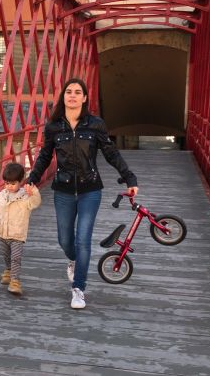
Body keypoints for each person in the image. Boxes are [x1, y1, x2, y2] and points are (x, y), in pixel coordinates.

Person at [27, 78, 138, 309]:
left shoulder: (95, 124)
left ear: (85, 98)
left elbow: (110, 152)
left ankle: (78, 289)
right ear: (63, 97)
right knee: (65, 240)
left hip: (90, 190)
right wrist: (32, 179)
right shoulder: (54, 126)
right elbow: (45, 156)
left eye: (78, 92)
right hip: (63, 190)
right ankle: (73, 260)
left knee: (83, 240)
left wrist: (129, 177)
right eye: (69, 92)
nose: (73, 95)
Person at [0, 162, 41, 295]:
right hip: (2, 232)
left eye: (13, 183)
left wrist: (34, 192)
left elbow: (36, 203)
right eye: (7, 183)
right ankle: (8, 270)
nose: (9, 186)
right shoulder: (1, 196)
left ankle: (15, 281)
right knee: (6, 255)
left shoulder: (26, 197)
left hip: (17, 234)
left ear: (21, 181)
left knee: (16, 257)